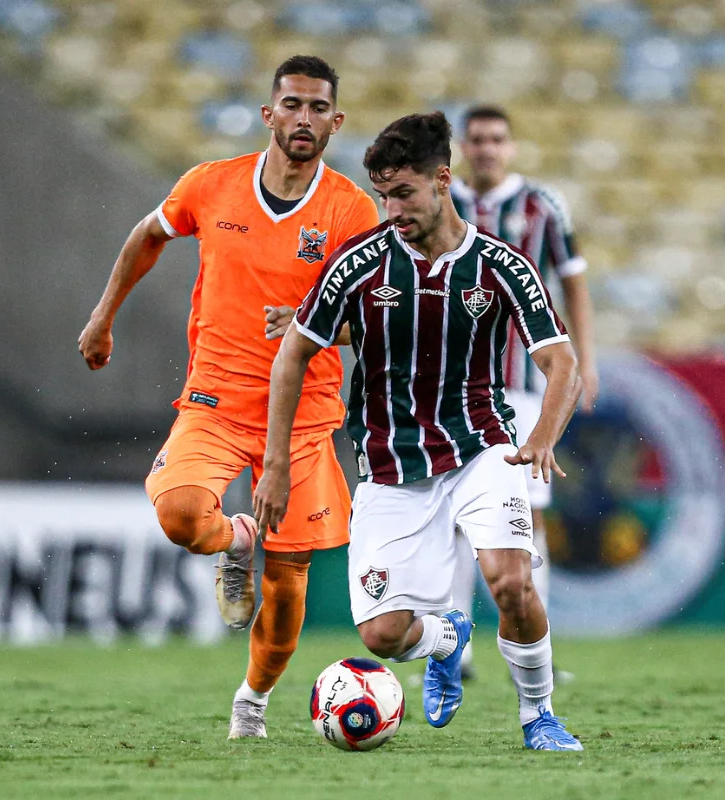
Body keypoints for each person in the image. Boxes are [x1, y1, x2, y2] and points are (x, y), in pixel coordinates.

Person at [254, 112, 584, 751]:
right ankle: (447, 637)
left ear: (442, 181)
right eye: (381, 194)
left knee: (511, 581)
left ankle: (538, 716)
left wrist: (542, 434)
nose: (391, 208)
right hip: (390, 465)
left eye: (402, 193)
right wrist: (274, 462)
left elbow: (560, 361)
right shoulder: (359, 264)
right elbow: (293, 351)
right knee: (383, 636)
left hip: (483, 445)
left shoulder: (500, 266)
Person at [77, 55, 379, 740]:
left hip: (303, 420)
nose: (305, 119)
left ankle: (253, 700)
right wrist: (103, 318)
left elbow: (379, 322)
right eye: (292, 105)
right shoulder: (211, 186)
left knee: (290, 578)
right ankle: (234, 536)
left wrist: (315, 322)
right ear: (269, 113)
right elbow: (148, 235)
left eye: (318, 108)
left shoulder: (350, 211)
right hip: (216, 401)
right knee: (181, 514)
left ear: (337, 121)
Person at [450, 105, 600, 682]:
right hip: (457, 390)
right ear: (463, 145)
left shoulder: (542, 206)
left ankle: (539, 642)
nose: (487, 148)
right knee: (459, 516)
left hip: (526, 387)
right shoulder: (442, 204)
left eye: (497, 139)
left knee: (527, 520)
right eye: (478, 139)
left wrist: (583, 363)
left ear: (509, 147)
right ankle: (455, 649)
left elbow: (574, 282)